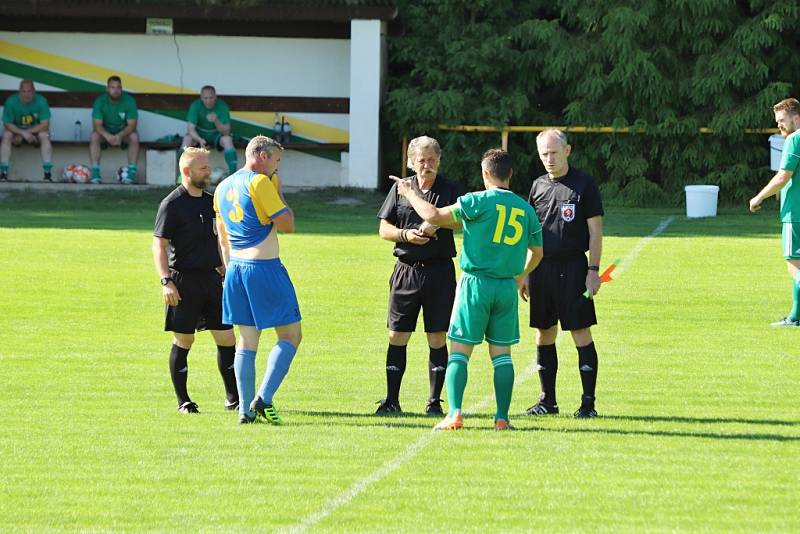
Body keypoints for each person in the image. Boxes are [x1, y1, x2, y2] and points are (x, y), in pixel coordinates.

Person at [391, 148, 543, 430]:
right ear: (510, 174)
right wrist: (521, 276)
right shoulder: (526, 209)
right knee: (502, 356)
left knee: (459, 352)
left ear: (485, 173)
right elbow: (537, 252)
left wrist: (410, 193)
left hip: (476, 284)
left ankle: (455, 413)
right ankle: (502, 418)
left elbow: (435, 216)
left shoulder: (476, 201)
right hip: (506, 287)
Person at [214, 135, 301, 425]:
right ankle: (262, 399)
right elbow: (287, 224)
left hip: (235, 268)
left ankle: (244, 411)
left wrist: (228, 271)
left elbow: (223, 238)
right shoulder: (260, 182)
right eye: (276, 161)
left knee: (247, 340)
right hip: (263, 268)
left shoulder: (222, 186)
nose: (277, 168)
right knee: (290, 336)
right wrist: (279, 193)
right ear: (262, 156)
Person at [376, 135, 463, 416]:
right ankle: (391, 400)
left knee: (437, 336)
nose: (427, 165)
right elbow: (383, 229)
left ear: (439, 161)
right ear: (411, 162)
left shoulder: (449, 190)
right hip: (406, 271)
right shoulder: (400, 188)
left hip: (439, 272)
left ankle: (434, 402)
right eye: (422, 160)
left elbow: (452, 219)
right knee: (396, 334)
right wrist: (405, 235)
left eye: (432, 159)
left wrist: (430, 226)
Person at [523, 129, 605, 419]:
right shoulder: (537, 186)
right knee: (544, 333)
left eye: (554, 152)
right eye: (544, 153)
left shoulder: (584, 184)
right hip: (542, 269)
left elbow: (595, 231)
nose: (549, 158)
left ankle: (588, 403)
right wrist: (524, 273)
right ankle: (548, 400)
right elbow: (529, 234)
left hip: (573, 268)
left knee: (580, 331)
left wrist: (593, 271)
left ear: (567, 151)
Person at [152, 147, 239, 414]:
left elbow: (223, 239)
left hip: (213, 280)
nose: (209, 172)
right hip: (183, 282)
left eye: (209, 167)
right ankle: (184, 401)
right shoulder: (171, 204)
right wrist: (166, 281)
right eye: (204, 168)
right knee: (184, 341)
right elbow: (159, 245)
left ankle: (234, 399)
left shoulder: (213, 202)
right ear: (187, 172)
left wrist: (227, 270)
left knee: (227, 338)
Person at [749, 98, 800, 326]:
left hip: (795, 214)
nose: (779, 125)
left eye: (782, 121)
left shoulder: (794, 139)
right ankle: (795, 317)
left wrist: (758, 197)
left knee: (794, 266)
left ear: (796, 118)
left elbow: (782, 176)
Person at [89, 75, 139, 184]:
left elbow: (132, 125)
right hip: (105, 133)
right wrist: (107, 135)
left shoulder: (129, 101)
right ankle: (95, 173)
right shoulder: (100, 101)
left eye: (118, 87)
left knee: (134, 136)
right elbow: (97, 125)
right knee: (94, 136)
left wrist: (120, 135)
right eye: (112, 87)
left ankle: (131, 173)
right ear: (107, 89)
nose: (116, 90)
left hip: (123, 133)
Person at [1, 80, 53, 181]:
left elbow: (45, 124)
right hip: (16, 131)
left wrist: (27, 133)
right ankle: (3, 173)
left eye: (29, 91)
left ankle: (47, 174)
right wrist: (22, 133)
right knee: (7, 135)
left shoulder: (41, 101)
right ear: (19, 92)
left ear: (34, 91)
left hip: (36, 131)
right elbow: (7, 124)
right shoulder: (11, 101)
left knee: (44, 135)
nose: (26, 94)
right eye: (23, 91)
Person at [182, 85, 238, 175]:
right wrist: (199, 140)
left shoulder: (222, 106)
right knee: (187, 139)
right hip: (200, 135)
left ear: (215, 97)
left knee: (227, 140)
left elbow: (226, 132)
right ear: (201, 98)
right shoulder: (195, 105)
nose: (208, 101)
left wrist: (216, 121)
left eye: (211, 98)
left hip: (216, 135)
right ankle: (183, 176)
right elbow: (190, 129)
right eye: (206, 98)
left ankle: (233, 175)